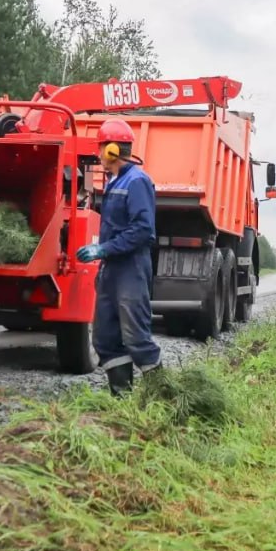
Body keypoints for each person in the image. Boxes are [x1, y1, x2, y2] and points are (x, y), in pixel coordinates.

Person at [76, 118, 161, 395]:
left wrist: (104, 249)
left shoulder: (137, 181)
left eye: (102, 148)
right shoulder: (115, 181)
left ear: (112, 149)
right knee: (106, 337)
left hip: (131, 269)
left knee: (136, 337)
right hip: (112, 269)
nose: (99, 154)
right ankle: (121, 400)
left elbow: (143, 230)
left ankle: (162, 396)